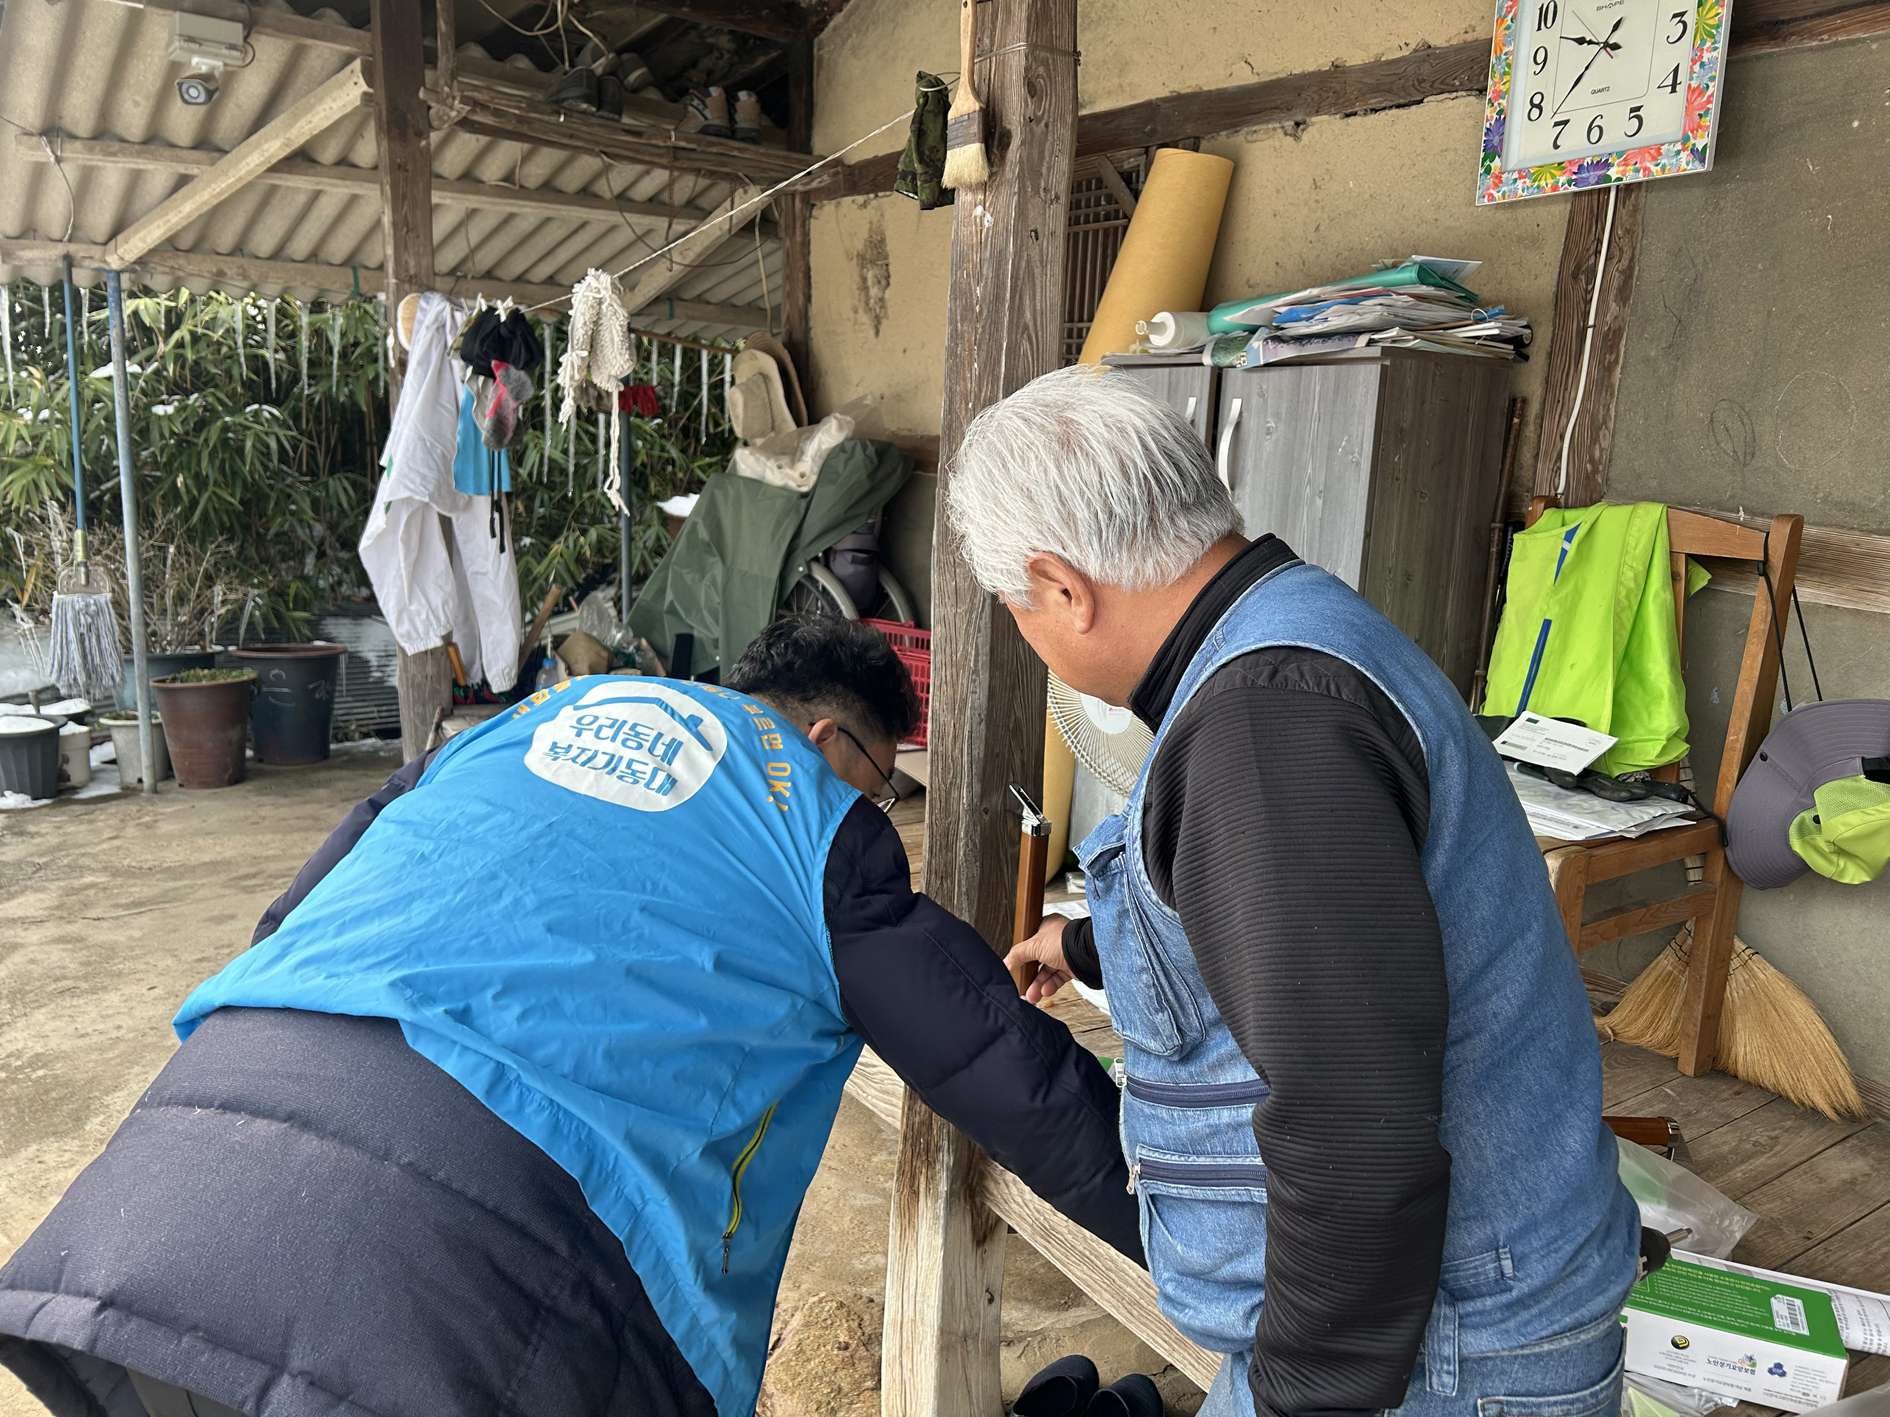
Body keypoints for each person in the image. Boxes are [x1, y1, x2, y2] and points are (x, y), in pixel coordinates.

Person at [0, 618, 1139, 1417]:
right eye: (884, 780)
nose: (875, 803)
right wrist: (1189, 1227)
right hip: (487, 1285)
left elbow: (294, 916)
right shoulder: (816, 818)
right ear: (835, 740)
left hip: (168, 1193)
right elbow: (998, 1060)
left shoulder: (514, 725)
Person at [959, 366, 1640, 1417]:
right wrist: (1091, 946)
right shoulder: (1290, 624)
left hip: (1432, 1350)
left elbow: (1353, 1114)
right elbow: (1304, 938)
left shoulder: (1260, 726)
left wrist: (1304, 1395)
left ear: (1059, 586)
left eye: (1014, 608)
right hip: (1429, 1320)